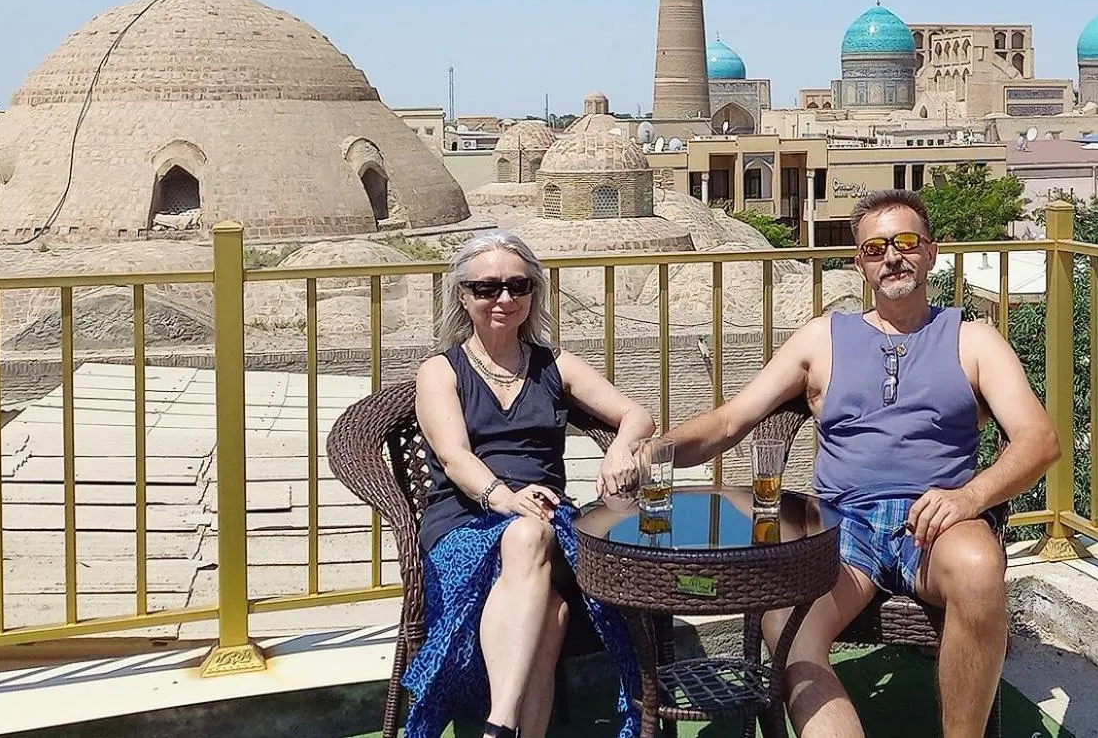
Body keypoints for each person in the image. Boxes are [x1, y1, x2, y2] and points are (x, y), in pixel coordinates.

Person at [652, 189, 1060, 738]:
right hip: (843, 525)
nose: (892, 256)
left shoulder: (973, 338)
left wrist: (968, 498)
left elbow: (1038, 440)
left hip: (939, 522)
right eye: (875, 248)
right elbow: (731, 421)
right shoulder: (823, 338)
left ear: (931, 252)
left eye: (906, 242)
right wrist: (656, 450)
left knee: (981, 569)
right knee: (788, 624)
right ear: (859, 262)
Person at [404, 230, 654, 738]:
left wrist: (622, 448)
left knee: (533, 534)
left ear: (533, 293)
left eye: (518, 286)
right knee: (551, 611)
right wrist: (505, 498)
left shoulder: (553, 364)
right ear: (462, 295)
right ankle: (513, 729)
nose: (504, 299)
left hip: (547, 517)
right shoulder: (439, 371)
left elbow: (635, 412)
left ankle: (498, 725)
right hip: (465, 519)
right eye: (487, 288)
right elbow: (453, 457)